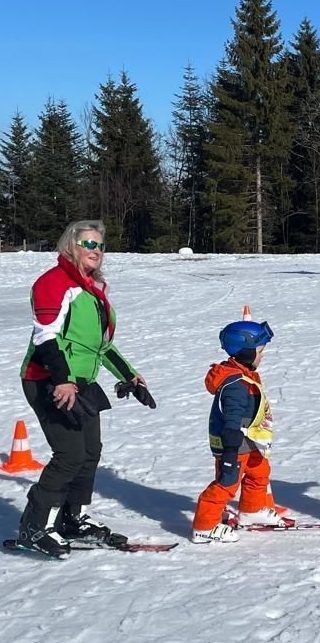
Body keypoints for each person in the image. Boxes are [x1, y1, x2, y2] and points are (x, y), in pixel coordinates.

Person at [16, 221, 155, 558]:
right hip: (48, 379)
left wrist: (130, 376)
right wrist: (62, 379)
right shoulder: (54, 283)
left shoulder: (92, 289)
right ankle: (34, 525)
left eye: (100, 245)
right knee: (70, 454)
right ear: (70, 246)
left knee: (90, 452)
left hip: (81, 382)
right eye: (88, 243)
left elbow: (101, 346)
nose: (96, 250)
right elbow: (46, 337)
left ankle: (70, 519)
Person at [191, 320, 283, 543]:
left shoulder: (244, 374)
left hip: (249, 438)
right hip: (232, 442)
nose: (262, 355)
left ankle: (252, 510)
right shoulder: (235, 384)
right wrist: (230, 451)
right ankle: (204, 526)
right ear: (246, 352)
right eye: (260, 351)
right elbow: (232, 418)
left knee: (259, 471)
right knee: (227, 482)